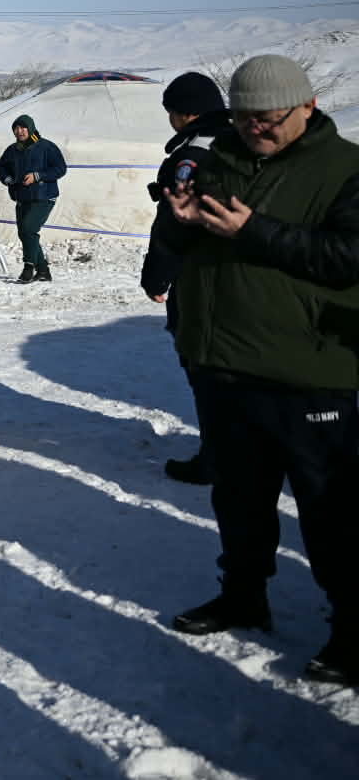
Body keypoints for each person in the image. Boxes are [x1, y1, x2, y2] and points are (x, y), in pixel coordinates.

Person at [155, 54, 358, 688]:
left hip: (309, 368)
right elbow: (184, 240)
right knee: (238, 498)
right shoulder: (221, 159)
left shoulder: (346, 170)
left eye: (267, 120)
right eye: (243, 120)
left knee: (330, 510)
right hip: (224, 363)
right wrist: (182, 226)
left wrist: (255, 232)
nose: (254, 131)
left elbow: (347, 258)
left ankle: (353, 628)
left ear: (307, 108)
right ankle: (243, 594)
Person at [141, 71, 229, 485]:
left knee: (206, 366)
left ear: (185, 113)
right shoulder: (242, 141)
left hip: (204, 277)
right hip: (251, 271)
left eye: (172, 113)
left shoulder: (192, 154)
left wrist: (157, 278)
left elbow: (174, 225)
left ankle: (217, 455)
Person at [0, 115, 65, 283]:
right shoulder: (13, 150)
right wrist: (7, 179)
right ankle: (43, 271)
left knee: (28, 229)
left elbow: (60, 168)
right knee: (26, 233)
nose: (19, 131)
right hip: (22, 197)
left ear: (31, 128)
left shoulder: (46, 147)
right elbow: (2, 166)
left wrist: (38, 176)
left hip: (44, 196)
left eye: (23, 127)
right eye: (16, 128)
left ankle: (29, 266)